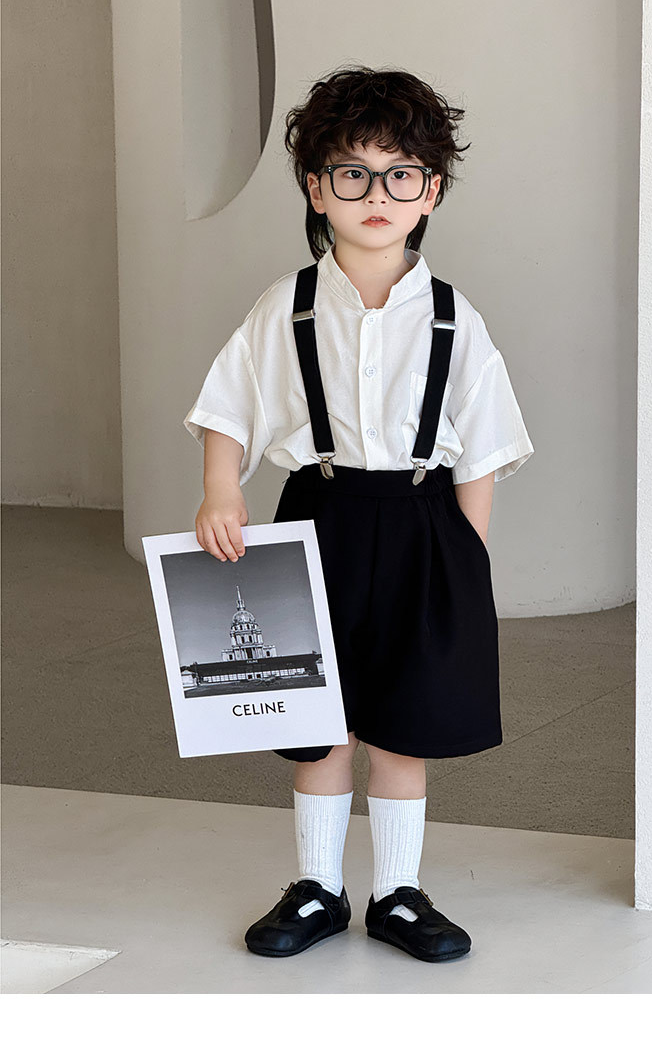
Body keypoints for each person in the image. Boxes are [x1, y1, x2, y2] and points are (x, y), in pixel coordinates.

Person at [183, 65, 534, 963]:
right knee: (318, 721)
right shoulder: (288, 306)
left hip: (425, 525)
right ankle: (317, 887)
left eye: (400, 174)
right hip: (319, 518)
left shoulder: (454, 318)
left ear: (432, 191)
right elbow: (231, 404)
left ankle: (399, 895)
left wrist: (464, 560)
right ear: (316, 188)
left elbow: (483, 447)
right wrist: (222, 487)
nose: (377, 195)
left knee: (405, 727)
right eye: (353, 173)